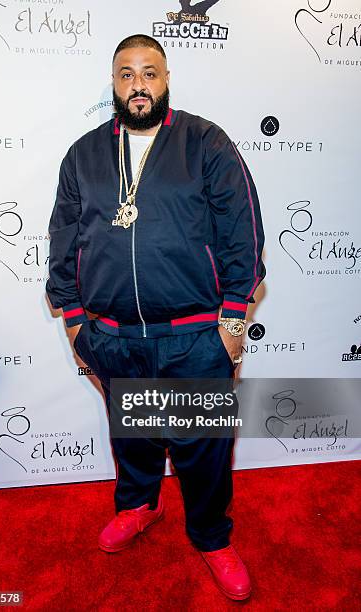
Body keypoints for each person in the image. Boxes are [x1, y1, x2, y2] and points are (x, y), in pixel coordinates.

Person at [46, 34, 266, 602]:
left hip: (194, 337)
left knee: (204, 447)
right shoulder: (84, 154)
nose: (138, 84)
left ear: (166, 80)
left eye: (149, 73)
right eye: (126, 74)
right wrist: (73, 319)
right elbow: (63, 240)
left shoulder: (205, 143)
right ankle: (139, 505)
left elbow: (243, 236)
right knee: (135, 437)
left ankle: (212, 537)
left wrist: (233, 324)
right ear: (114, 83)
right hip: (113, 336)